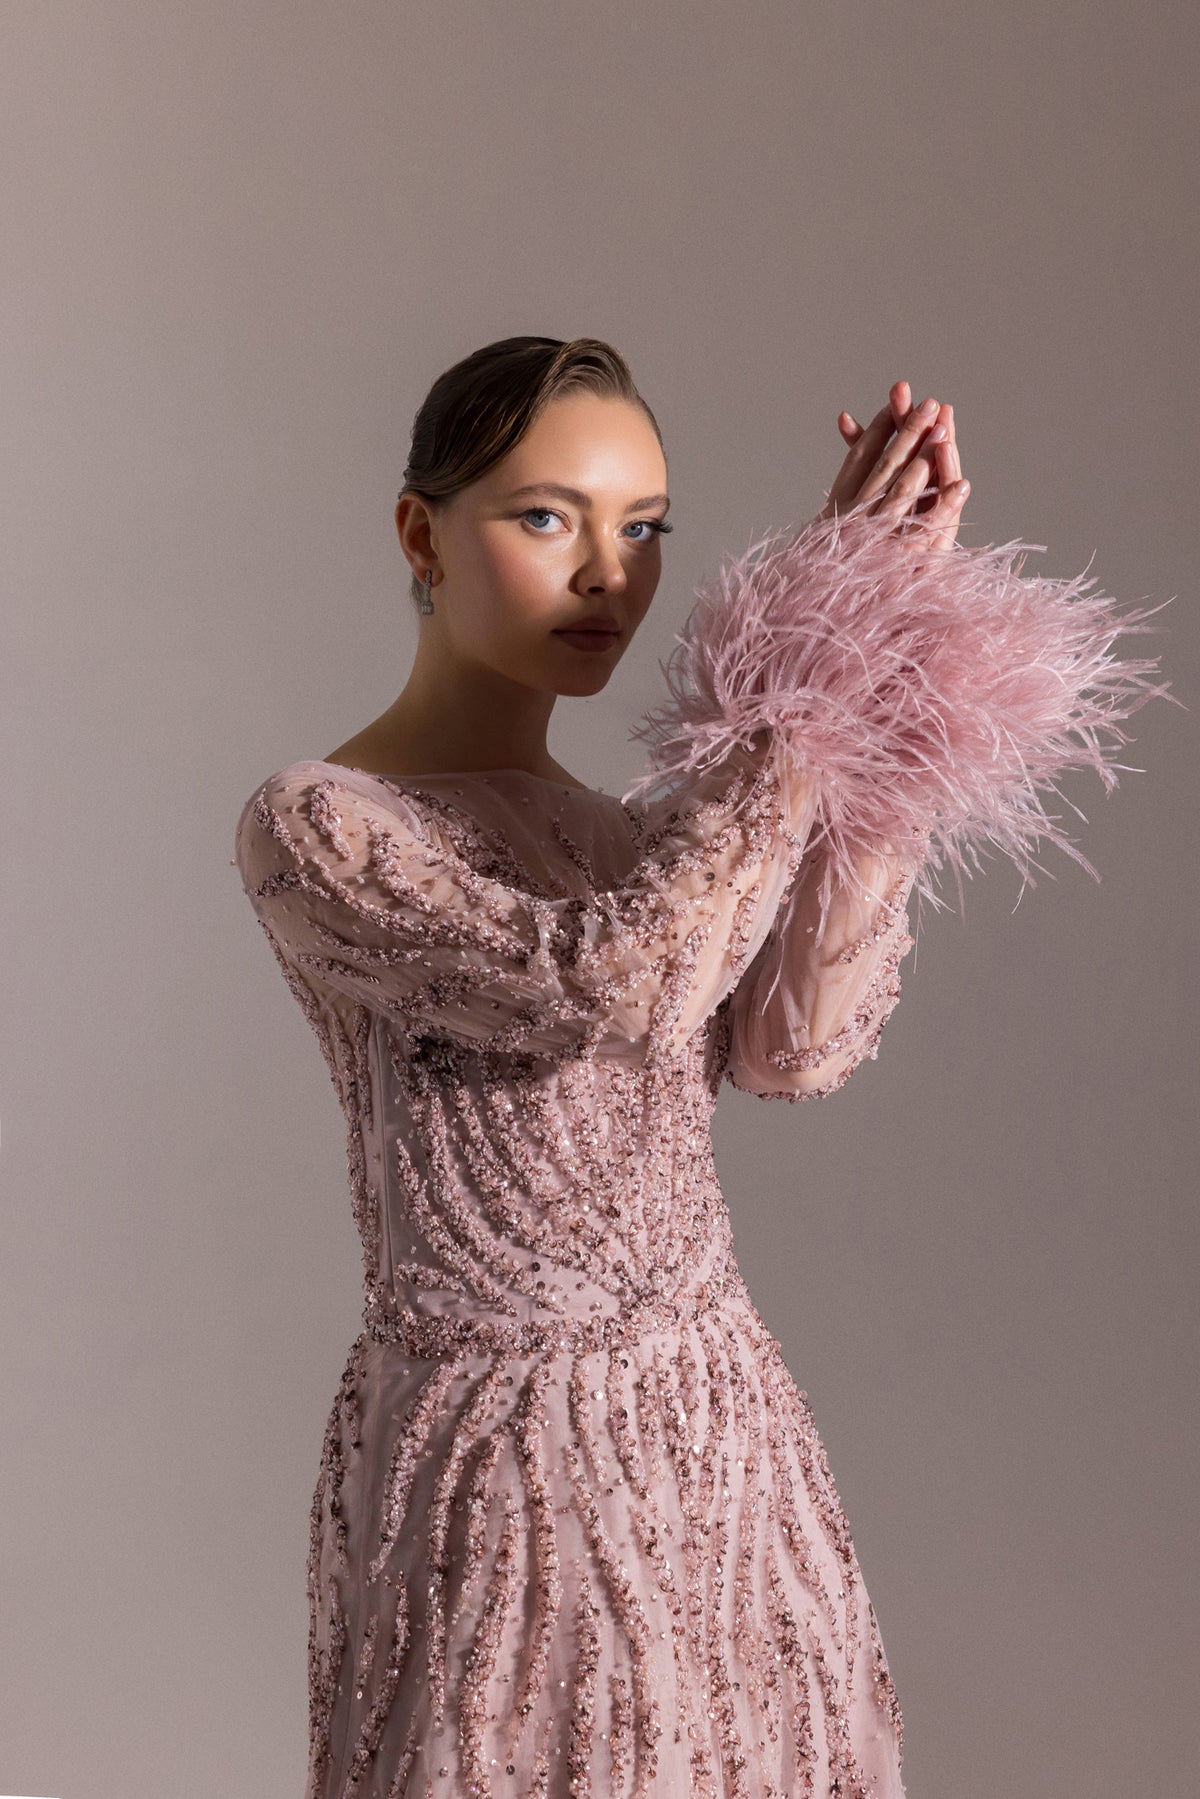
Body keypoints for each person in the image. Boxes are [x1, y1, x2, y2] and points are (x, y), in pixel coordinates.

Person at [233, 336, 1170, 1798]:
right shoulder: (321, 826)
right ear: (421, 532)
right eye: (547, 516)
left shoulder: (632, 838)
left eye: (645, 526)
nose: (608, 573)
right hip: (506, 1460)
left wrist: (877, 657)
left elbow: (797, 1046)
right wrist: (807, 658)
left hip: (717, 1421)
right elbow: (616, 983)